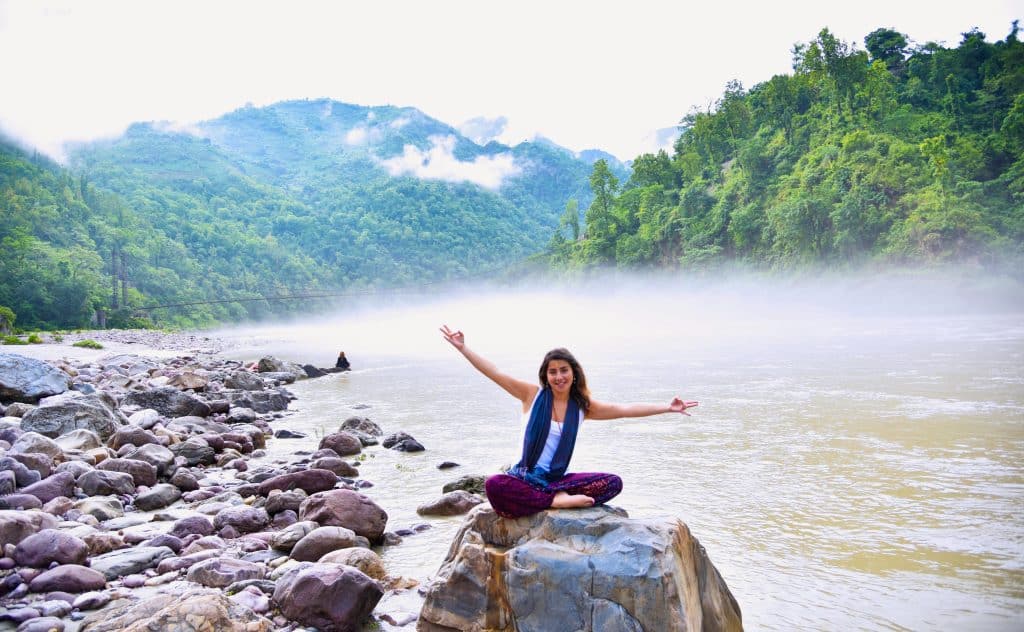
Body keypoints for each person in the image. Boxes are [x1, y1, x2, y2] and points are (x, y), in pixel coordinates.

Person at [440, 324, 698, 519]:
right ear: (546, 375)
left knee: (612, 483)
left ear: (574, 374)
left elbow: (624, 409)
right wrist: (463, 348)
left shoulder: (582, 408)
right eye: (553, 371)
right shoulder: (532, 395)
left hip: (555, 479)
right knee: (494, 485)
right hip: (522, 476)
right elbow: (494, 372)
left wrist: (667, 407)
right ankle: (554, 501)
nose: (559, 376)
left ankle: (549, 496)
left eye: (564, 370)